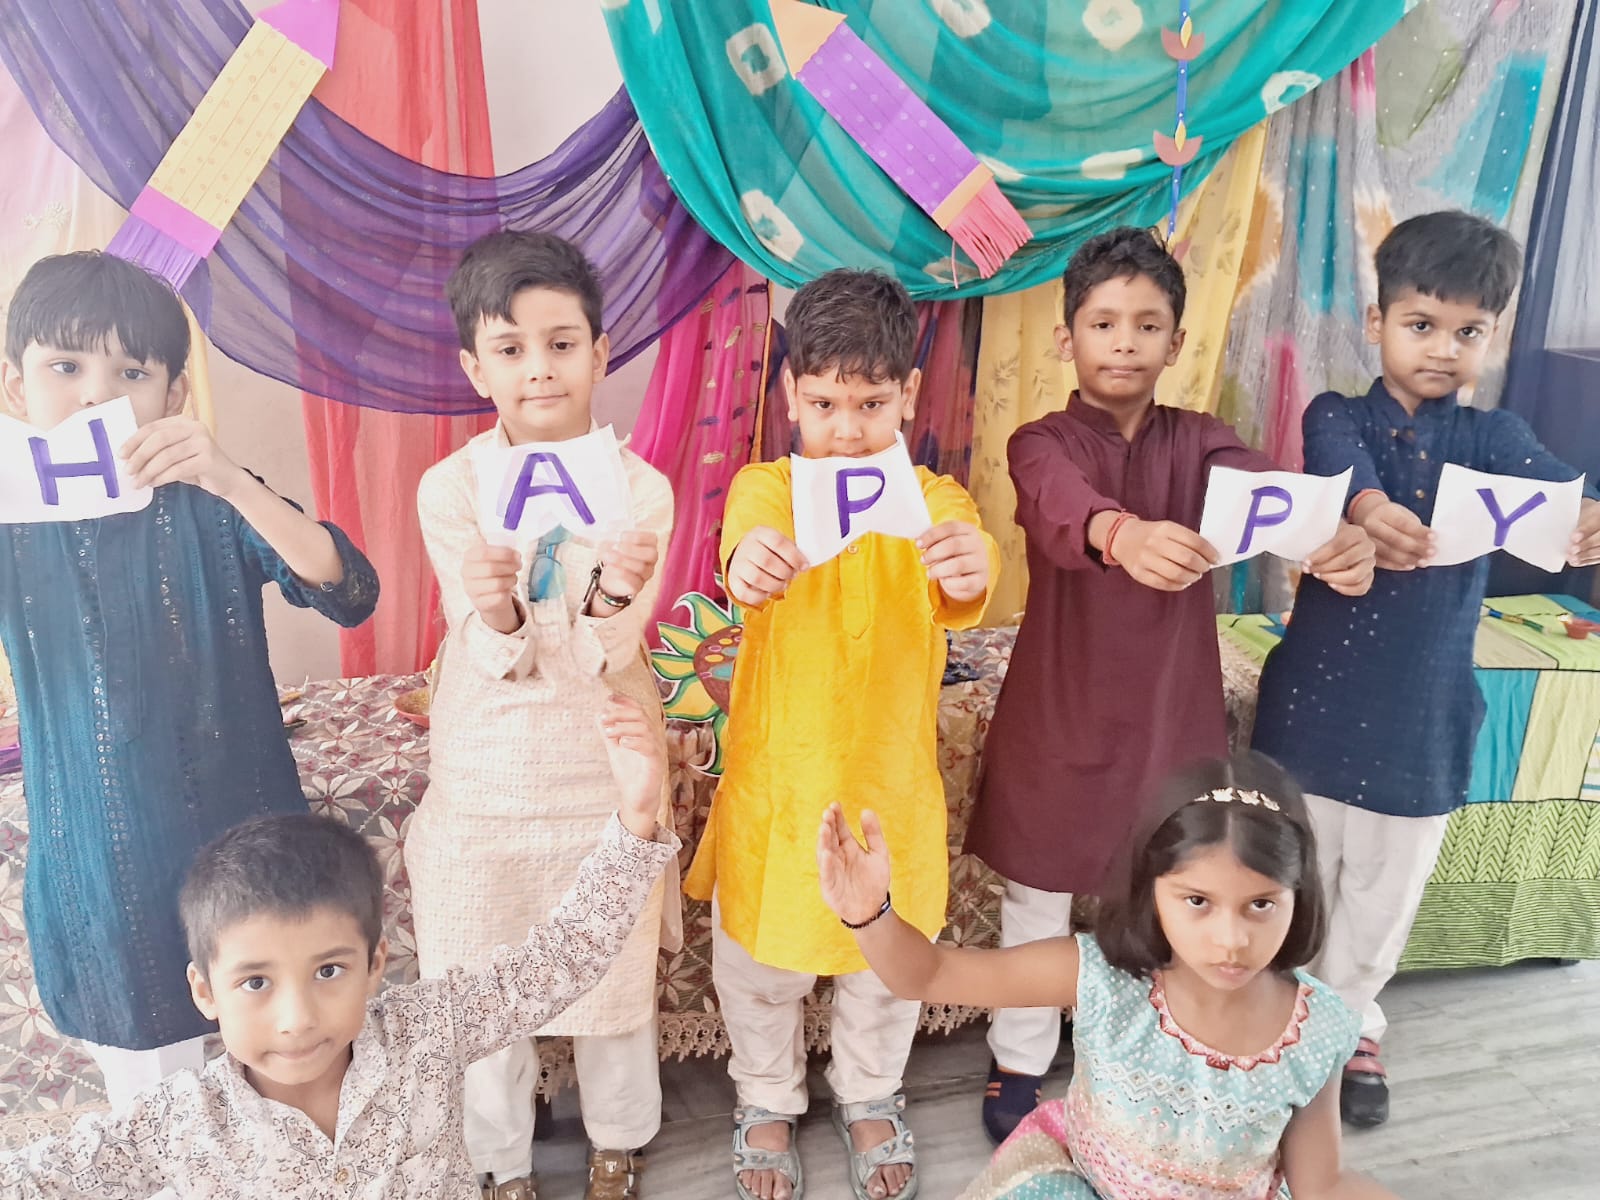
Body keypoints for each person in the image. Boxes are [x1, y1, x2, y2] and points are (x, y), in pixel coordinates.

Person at [961, 227, 1375, 1141]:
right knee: (1037, 897)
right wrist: (1122, 534)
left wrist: (1327, 535)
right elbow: (1056, 498)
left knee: (1160, 890)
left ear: (1176, 342)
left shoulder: (1204, 444)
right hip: (1059, 706)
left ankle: (1137, 1055)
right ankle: (1019, 1057)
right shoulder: (1040, 442)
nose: (1124, 342)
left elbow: (1265, 492)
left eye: (1147, 325)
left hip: (1168, 711)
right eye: (1104, 322)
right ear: (1067, 337)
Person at [0, 694, 680, 1198]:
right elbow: (41, 1176)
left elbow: (565, 957)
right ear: (204, 990)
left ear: (375, 963)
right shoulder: (180, 1123)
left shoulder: (428, 1032)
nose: (297, 1018)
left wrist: (637, 814)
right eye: (256, 982)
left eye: (328, 970)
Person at [0, 251, 378, 1108]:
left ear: (174, 395)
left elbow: (349, 592)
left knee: (286, 1086)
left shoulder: (209, 499)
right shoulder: (12, 524)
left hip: (247, 846)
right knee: (161, 1116)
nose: (97, 397)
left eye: (131, 373)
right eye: (66, 367)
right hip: (101, 862)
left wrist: (228, 478)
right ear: (18, 388)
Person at [1251, 210, 1600, 1127]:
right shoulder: (1336, 414)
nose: (1443, 349)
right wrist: (1368, 510)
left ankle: (1346, 1028)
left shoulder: (1493, 437)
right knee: (1297, 881)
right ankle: (1281, 1021)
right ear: (1378, 322)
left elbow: (1554, 484)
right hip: (1316, 708)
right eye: (1421, 324)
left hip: (1424, 720)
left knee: (1383, 900)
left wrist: (1585, 514)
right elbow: (1340, 466)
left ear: (1495, 336)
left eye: (1469, 331)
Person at [683, 268, 998, 1200]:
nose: (848, 428)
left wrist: (971, 563)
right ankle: (765, 1096)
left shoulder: (937, 501)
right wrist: (750, 563)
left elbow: (970, 580)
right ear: (789, 395)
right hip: (781, 792)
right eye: (824, 403)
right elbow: (742, 547)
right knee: (760, 964)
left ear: (909, 394)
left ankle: (869, 1092)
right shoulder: (769, 487)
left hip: (888, 795)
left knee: (883, 971)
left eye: (870, 403)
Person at [818, 753, 1399, 1200]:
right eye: (1197, 901)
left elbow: (1321, 1184)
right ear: (1151, 889)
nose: (1231, 939)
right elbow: (931, 974)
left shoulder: (1318, 1029)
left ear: (1299, 895)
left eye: (1261, 904)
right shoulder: (1102, 976)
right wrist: (870, 914)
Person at [409, 230, 676, 1200]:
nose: (540, 370)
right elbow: (487, 650)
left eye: (562, 344)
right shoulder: (451, 489)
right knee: (482, 980)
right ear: (475, 368)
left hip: (602, 763)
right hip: (485, 776)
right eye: (511, 349)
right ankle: (500, 1160)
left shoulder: (642, 490)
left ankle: (618, 1142)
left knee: (612, 977)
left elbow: (613, 648)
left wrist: (610, 598)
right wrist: (494, 611)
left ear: (600, 354)